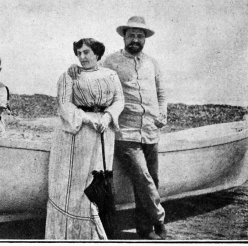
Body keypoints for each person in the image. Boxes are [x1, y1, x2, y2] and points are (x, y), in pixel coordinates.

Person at [68, 16, 168, 240]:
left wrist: (163, 112)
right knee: (144, 179)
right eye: (131, 35)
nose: (135, 39)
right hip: (125, 131)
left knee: (152, 180)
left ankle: (146, 230)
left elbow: (161, 93)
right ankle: (160, 220)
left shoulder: (152, 63)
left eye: (139, 36)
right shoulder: (111, 61)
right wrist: (75, 69)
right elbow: (90, 70)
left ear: (145, 39)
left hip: (151, 130)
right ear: (124, 37)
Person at [45, 38, 124, 240]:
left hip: (104, 132)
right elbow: (64, 105)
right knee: (76, 182)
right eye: (79, 53)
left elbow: (118, 100)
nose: (82, 57)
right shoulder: (69, 76)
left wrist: (107, 117)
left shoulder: (111, 75)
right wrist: (87, 119)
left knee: (98, 179)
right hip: (78, 133)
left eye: (86, 52)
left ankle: (97, 234)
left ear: (97, 54)